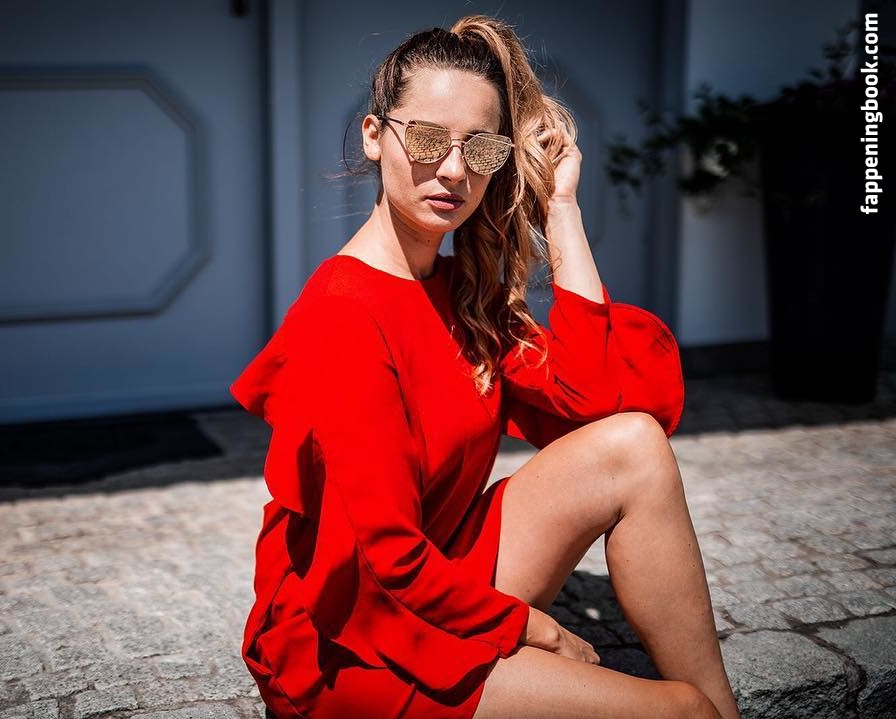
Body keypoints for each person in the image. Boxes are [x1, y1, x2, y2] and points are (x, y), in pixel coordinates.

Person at [230, 13, 742, 719]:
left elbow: (598, 402)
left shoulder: (458, 292)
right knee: (678, 712)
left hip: (437, 571)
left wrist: (561, 208)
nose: (453, 169)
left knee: (634, 446)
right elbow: (381, 562)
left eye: (481, 147)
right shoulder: (345, 318)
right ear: (375, 136)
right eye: (427, 138)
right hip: (353, 637)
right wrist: (535, 629)